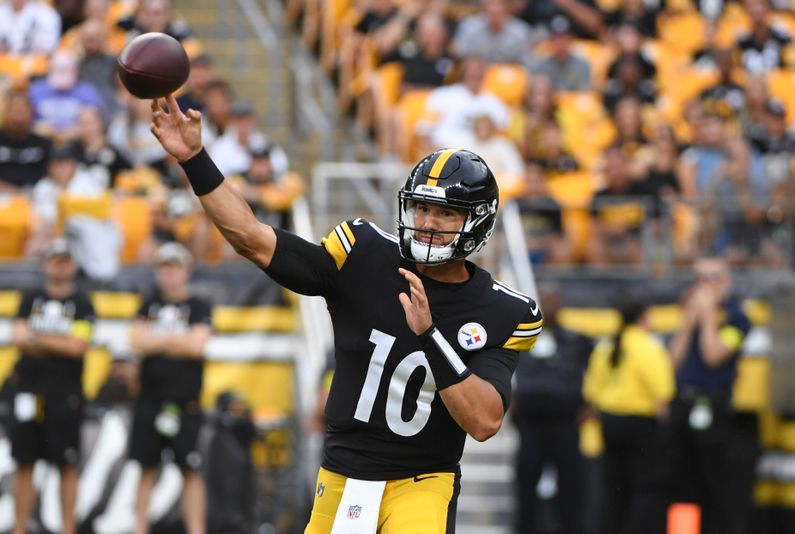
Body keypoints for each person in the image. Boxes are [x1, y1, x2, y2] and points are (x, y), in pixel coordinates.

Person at [149, 95, 543, 533]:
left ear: (477, 223)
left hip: (423, 480)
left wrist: (431, 335)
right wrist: (196, 159)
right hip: (343, 474)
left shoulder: (501, 309)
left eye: (446, 213)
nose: (429, 222)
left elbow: (485, 421)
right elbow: (252, 239)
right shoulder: (364, 255)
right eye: (423, 208)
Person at [9, 238, 95, 534]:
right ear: (45, 264)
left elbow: (78, 347)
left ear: (73, 265)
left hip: (66, 395)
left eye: (65, 261)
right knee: (24, 462)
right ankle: (19, 527)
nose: (59, 268)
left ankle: (68, 528)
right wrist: (57, 341)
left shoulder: (82, 303)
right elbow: (17, 337)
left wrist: (37, 338)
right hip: (29, 392)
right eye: (54, 261)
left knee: (67, 466)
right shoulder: (30, 297)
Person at [129, 241, 212, 534]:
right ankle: (140, 528)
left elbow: (197, 346)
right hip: (150, 399)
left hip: (185, 401)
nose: (169, 274)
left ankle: (196, 529)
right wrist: (178, 340)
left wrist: (158, 341)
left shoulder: (199, 305)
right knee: (145, 468)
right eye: (164, 267)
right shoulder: (147, 303)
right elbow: (137, 341)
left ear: (187, 270)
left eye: (175, 267)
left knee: (190, 469)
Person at [667, 256, 752, 534]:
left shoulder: (737, 317)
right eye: (698, 279)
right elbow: (671, 364)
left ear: (726, 281)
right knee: (680, 483)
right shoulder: (687, 312)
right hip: (683, 403)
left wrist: (707, 317)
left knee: (715, 484)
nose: (703, 286)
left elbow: (713, 354)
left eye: (712, 278)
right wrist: (688, 321)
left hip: (713, 407)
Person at [583, 298, 675, 534]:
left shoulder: (606, 347)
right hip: (640, 422)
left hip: (609, 421)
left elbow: (592, 390)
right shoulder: (648, 347)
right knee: (645, 485)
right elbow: (663, 391)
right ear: (643, 318)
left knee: (613, 485)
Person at [511, 283, 593, 534]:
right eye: (546, 299)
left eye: (554, 299)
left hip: (566, 422)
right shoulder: (524, 337)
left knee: (571, 485)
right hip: (530, 422)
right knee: (526, 482)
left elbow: (595, 371)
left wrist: (591, 405)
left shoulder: (578, 340)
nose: (550, 304)